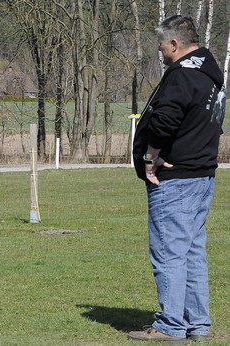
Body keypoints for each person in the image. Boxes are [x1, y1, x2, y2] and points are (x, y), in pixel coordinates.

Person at [130, 15, 226, 342]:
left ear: (175, 44)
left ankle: (171, 325)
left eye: (161, 45)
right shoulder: (212, 76)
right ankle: (197, 324)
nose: (160, 51)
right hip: (202, 178)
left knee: (169, 253)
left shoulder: (182, 76)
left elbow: (165, 120)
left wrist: (150, 155)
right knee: (192, 253)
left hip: (176, 180)